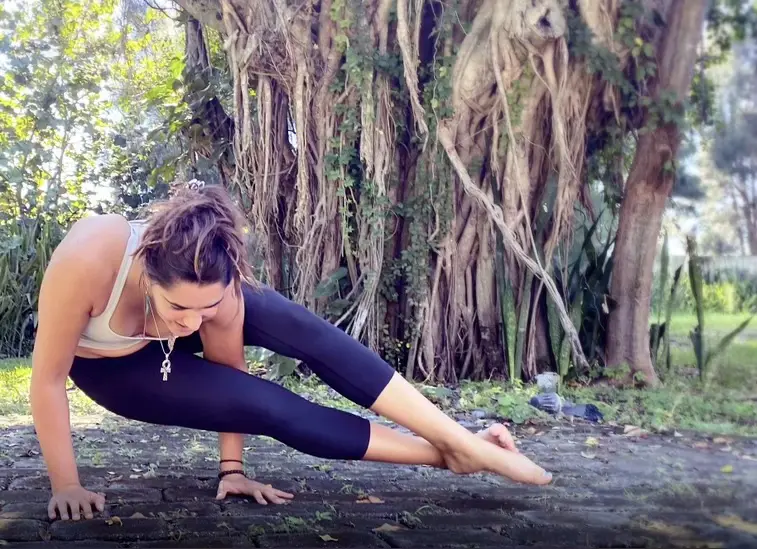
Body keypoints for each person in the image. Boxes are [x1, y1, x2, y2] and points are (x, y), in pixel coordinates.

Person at [30, 180, 552, 522]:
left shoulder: (219, 296)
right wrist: (66, 484)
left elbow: (229, 379)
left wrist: (231, 470)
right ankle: (453, 457)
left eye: (204, 310)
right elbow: (48, 380)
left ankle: (459, 440)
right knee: (273, 407)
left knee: (307, 331)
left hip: (197, 307)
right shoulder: (90, 257)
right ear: (149, 269)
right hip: (114, 371)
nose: (191, 323)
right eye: (179, 309)